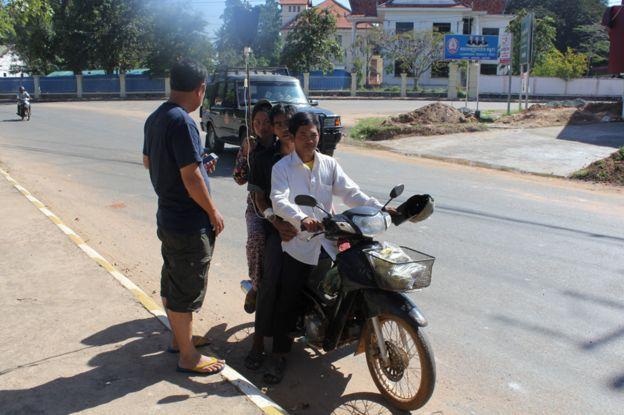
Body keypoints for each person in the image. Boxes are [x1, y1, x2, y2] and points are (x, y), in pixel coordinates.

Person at [266, 112, 384, 383]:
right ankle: (279, 355)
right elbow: (279, 199)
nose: (310, 140)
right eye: (304, 135)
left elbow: (351, 192)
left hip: (329, 237)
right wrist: (301, 218)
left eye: (314, 134)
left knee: (350, 279)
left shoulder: (329, 164)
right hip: (300, 242)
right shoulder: (282, 168)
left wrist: (378, 208)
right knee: (289, 298)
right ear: (292, 137)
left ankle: (340, 326)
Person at [142, 58, 225, 375]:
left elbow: (150, 162)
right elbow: (190, 178)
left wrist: (200, 165)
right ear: (200, 88)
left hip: (168, 216)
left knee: (173, 280)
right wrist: (212, 211)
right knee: (186, 288)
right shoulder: (183, 122)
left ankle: (181, 339)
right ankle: (187, 355)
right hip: (188, 222)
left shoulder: (156, 118)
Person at [244, 104, 298, 370]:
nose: (284, 128)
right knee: (271, 280)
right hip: (277, 228)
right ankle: (259, 342)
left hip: (308, 229)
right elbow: (258, 196)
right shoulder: (264, 157)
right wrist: (275, 222)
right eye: (278, 124)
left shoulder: (311, 154)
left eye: (288, 122)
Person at [233, 100, 275, 313]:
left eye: (266, 122)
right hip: (257, 209)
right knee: (257, 240)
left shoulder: (281, 144)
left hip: (281, 206)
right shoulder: (249, 145)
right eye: (257, 122)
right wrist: (246, 153)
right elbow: (238, 178)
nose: (262, 126)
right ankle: (255, 288)